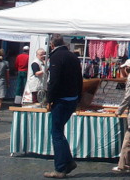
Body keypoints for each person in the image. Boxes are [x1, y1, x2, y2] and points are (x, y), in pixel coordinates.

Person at [44, 34, 83, 179]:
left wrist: (49, 99)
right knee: (59, 131)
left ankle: (60, 167)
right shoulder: (72, 56)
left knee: (56, 133)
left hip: (61, 99)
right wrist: (78, 96)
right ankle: (68, 161)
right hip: (72, 98)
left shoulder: (55, 57)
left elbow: (54, 80)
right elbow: (80, 78)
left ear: (52, 45)